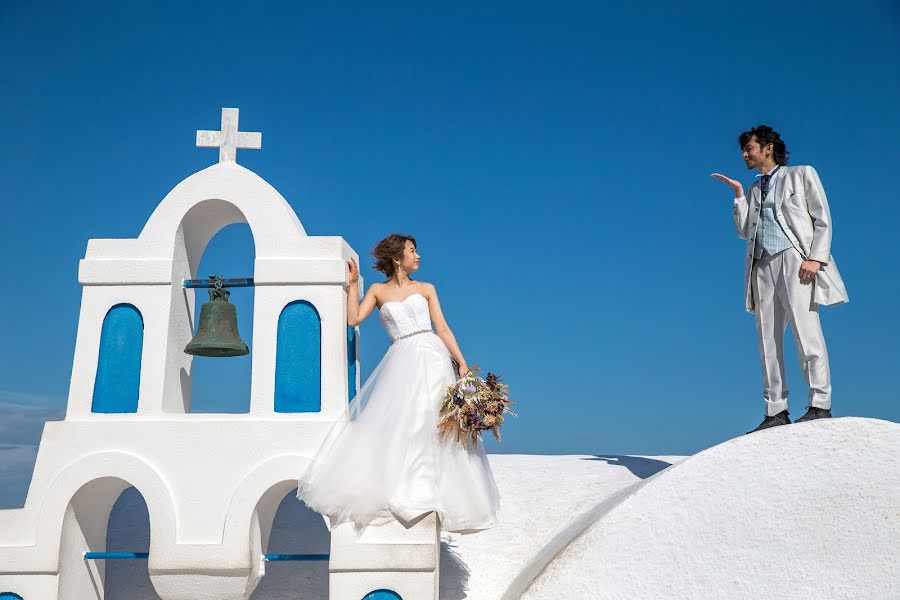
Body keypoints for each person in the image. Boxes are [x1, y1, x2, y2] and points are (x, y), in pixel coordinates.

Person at [296, 233, 500, 533]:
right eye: (412, 251)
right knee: (406, 420)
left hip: (432, 356)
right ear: (397, 258)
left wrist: (463, 363)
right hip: (402, 358)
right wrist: (352, 285)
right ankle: (406, 487)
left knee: (434, 421)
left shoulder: (427, 288)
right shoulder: (378, 291)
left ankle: (433, 489)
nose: (418, 256)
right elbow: (353, 319)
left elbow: (442, 327)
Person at [711, 125, 848, 434]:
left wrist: (816, 257)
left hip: (795, 260)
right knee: (767, 340)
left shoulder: (801, 175)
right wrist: (737, 197)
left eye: (750, 148)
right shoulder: (753, 189)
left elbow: (822, 218)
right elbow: (745, 231)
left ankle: (819, 404)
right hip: (761, 264)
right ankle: (776, 410)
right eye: (744, 150)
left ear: (768, 147)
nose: (745, 154)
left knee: (806, 331)